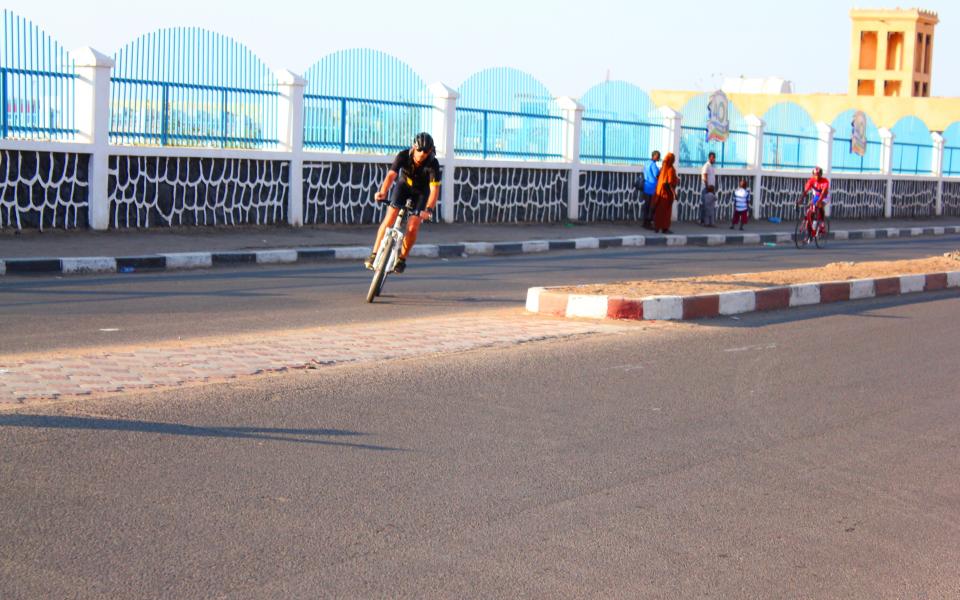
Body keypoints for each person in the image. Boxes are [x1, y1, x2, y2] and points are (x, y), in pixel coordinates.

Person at [364, 132, 441, 273]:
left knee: (412, 227)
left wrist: (429, 209)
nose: (422, 154)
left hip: (421, 193)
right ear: (414, 147)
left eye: (426, 151)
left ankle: (401, 259)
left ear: (430, 151)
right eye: (419, 150)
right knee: (390, 218)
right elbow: (391, 176)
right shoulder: (403, 155)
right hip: (403, 186)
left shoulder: (433, 164)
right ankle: (374, 254)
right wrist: (383, 192)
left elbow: (434, 189)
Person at [652, 152, 678, 234]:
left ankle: (657, 227)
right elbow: (670, 183)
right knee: (666, 212)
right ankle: (665, 228)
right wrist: (674, 193)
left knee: (659, 211)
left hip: (660, 193)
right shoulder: (670, 169)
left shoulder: (662, 169)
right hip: (667, 195)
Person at [640, 150, 661, 229]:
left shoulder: (646, 163)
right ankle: (648, 223)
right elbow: (657, 174)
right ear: (654, 156)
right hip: (652, 187)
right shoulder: (653, 165)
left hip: (646, 186)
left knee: (646, 206)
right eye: (658, 156)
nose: (659, 157)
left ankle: (644, 222)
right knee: (651, 207)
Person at [700, 151, 717, 225]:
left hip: (711, 189)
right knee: (705, 205)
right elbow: (704, 176)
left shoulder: (712, 167)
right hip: (706, 189)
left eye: (715, 158)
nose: (714, 160)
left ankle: (709, 222)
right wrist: (707, 187)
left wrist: (712, 188)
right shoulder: (706, 166)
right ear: (710, 157)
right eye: (713, 158)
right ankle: (702, 220)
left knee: (710, 206)